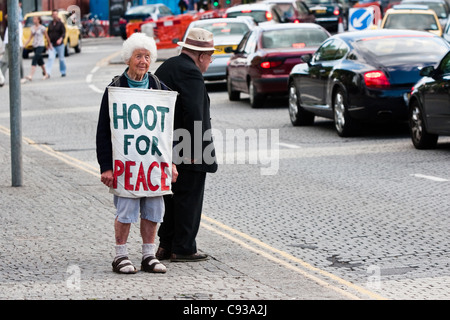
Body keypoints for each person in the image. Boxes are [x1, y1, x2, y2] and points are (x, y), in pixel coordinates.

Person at [96, 32, 177, 274]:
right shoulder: (115, 89)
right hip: (126, 165)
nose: (143, 61)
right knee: (126, 210)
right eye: (138, 56)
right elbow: (103, 132)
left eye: (147, 56)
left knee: (153, 209)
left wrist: (170, 163)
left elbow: (166, 132)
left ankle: (148, 255)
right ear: (128, 59)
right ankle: (120, 255)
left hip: (152, 164)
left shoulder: (159, 88)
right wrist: (106, 167)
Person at [155, 28, 218, 262]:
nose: (210, 61)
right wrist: (194, 149)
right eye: (210, 56)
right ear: (201, 56)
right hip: (188, 146)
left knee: (171, 199)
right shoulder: (191, 73)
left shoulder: (168, 66)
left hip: (166, 143)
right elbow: (194, 112)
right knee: (189, 199)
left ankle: (165, 245)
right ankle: (183, 248)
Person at [22, 16, 51, 83]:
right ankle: (46, 74)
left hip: (40, 45)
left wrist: (49, 44)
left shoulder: (42, 28)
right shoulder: (32, 28)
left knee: (35, 59)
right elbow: (30, 38)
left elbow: (47, 37)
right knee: (40, 61)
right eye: (33, 19)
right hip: (35, 45)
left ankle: (30, 75)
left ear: (38, 20)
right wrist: (24, 45)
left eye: (35, 19)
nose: (33, 20)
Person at [0, 14, 25, 86]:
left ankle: (20, 77)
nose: (7, 19)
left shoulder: (17, 24)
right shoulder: (10, 24)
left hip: (15, 45)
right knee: (5, 61)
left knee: (16, 61)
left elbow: (17, 35)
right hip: (9, 44)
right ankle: (2, 78)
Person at [45, 9, 67, 78]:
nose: (54, 16)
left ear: (57, 15)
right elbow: (48, 34)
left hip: (60, 45)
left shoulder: (60, 23)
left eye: (56, 14)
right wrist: (48, 44)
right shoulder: (50, 24)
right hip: (52, 44)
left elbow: (64, 33)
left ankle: (63, 71)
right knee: (50, 58)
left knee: (61, 59)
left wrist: (60, 39)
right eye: (53, 14)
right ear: (52, 16)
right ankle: (48, 73)